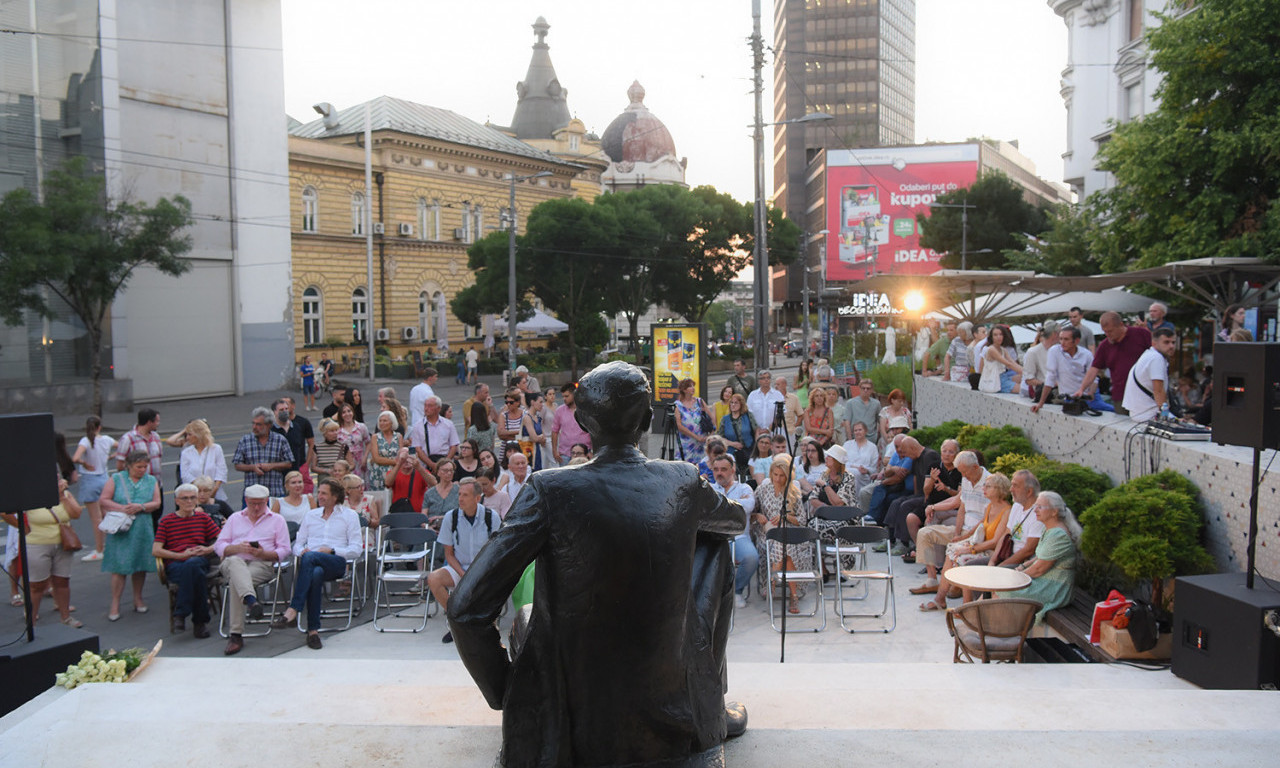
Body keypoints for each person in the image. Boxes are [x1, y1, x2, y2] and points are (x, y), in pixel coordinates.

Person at [447, 362, 748, 763]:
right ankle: (710, 702)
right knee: (716, 544)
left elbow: (466, 608)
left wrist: (509, 694)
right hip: (659, 669)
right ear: (645, 419)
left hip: (577, 677)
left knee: (525, 616)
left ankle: (709, 702)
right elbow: (736, 519)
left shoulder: (549, 488)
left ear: (584, 422)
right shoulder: (683, 479)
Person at [273, 478, 362, 649]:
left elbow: (356, 549)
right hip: (312, 564)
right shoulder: (311, 516)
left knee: (311, 558)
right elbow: (297, 544)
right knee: (315, 573)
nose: (319, 496)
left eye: (323, 493)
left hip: (336, 562)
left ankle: (294, 609)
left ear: (335, 497)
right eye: (319, 492)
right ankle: (313, 631)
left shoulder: (349, 516)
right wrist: (301, 551)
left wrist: (332, 550)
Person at [919, 472, 1012, 612]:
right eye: (984, 485)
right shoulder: (990, 506)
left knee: (962, 559)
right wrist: (962, 539)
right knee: (952, 552)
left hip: (992, 552)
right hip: (981, 546)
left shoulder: (1006, 511)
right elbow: (980, 527)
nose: (984, 489)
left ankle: (966, 607)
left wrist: (970, 549)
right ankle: (940, 599)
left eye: (988, 486)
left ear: (1000, 489)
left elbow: (995, 542)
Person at [215, 484, 292, 655]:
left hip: (261, 563)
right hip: (234, 561)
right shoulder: (235, 518)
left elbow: (285, 549)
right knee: (235, 562)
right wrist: (236, 548)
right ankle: (250, 600)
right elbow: (219, 546)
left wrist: (263, 553)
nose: (256, 508)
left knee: (238, 582)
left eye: (260, 504)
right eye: (252, 504)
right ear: (246, 501)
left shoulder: (277, 520)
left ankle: (236, 634)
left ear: (267, 501)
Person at [1, 478, 83, 627]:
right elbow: (5, 512)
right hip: (37, 543)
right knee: (36, 585)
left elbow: (76, 513)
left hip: (62, 543)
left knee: (62, 581)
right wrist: (23, 528)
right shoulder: (29, 495)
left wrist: (63, 497)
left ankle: (66, 617)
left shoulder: (64, 495)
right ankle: (30, 621)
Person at [431, 477, 501, 642]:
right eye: (459, 494)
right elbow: (449, 554)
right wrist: (463, 573)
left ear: (477, 498)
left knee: (496, 585)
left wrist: (479, 573)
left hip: (484, 569)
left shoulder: (492, 517)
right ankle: (456, 621)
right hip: (459, 568)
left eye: (466, 495)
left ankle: (486, 628)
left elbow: (497, 553)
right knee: (434, 579)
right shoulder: (451, 517)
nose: (460, 499)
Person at [911, 451, 989, 595]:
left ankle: (952, 586)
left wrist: (963, 536)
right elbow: (961, 508)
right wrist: (958, 533)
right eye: (961, 473)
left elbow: (987, 518)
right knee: (924, 533)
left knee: (954, 548)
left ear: (976, 467)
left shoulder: (989, 483)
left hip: (978, 534)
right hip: (964, 529)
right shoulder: (967, 479)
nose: (963, 476)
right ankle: (932, 579)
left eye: (965, 472)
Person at [152, 483, 220, 637]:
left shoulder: (203, 518)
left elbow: (221, 539)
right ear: (176, 501)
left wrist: (207, 549)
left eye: (192, 498)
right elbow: (156, 550)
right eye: (185, 498)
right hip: (176, 563)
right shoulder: (167, 521)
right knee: (195, 573)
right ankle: (200, 623)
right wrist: (180, 556)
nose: (189, 501)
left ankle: (181, 613)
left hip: (198, 559)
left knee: (193, 565)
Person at [100, 450, 160, 621]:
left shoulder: (151, 480)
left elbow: (157, 502)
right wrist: (122, 508)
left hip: (142, 527)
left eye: (144, 466)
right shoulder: (116, 479)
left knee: (140, 564)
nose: (142, 470)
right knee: (119, 566)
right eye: (138, 467)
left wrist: (141, 507)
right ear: (129, 466)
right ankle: (115, 602)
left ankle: (138, 598)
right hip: (121, 528)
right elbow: (104, 499)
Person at [1004, 491, 1081, 623]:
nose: (1035, 510)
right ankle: (985, 626)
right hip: (1044, 581)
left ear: (1054, 512)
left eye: (1040, 507)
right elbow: (1040, 557)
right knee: (1000, 586)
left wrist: (1018, 578)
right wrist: (1022, 567)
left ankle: (997, 631)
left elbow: (1039, 569)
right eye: (1035, 506)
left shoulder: (1059, 535)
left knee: (1002, 590)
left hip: (1054, 587)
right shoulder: (1049, 529)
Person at [753, 454, 810, 613]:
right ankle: (794, 596)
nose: (777, 479)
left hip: (789, 531)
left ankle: (771, 586)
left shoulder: (792, 491)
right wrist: (758, 515)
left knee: (784, 545)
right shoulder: (763, 488)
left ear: (788, 476)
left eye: (782, 476)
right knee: (783, 544)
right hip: (768, 531)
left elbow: (802, 520)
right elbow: (752, 511)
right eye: (775, 475)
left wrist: (786, 516)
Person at [1074, 311, 1152, 411]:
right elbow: (1094, 369)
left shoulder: (1141, 334)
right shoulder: (1105, 346)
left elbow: (1156, 354)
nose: (1107, 334)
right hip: (1121, 396)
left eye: (1110, 331)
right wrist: (1082, 389)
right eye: (1104, 331)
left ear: (1121, 325)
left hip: (1144, 394)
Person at [710, 454, 757, 608]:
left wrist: (720, 504)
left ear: (732, 470)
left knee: (751, 558)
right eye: (716, 469)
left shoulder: (744, 487)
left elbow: (749, 506)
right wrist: (737, 504)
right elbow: (706, 511)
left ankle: (736, 591)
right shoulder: (709, 488)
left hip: (739, 537)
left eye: (723, 469)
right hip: (714, 537)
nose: (719, 473)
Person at [72, 415, 116, 562]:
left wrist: (84, 463)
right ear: (99, 427)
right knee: (107, 514)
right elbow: (124, 446)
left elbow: (75, 458)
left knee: (95, 518)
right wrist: (112, 456)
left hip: (90, 479)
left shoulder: (85, 441)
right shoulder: (107, 439)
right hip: (104, 478)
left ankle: (99, 549)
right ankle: (112, 545)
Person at [232, 407, 294, 501]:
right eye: (253, 423)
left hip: (274, 493)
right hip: (252, 495)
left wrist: (271, 466)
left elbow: (289, 462)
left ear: (269, 425)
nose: (254, 427)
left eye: (259, 424)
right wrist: (253, 467)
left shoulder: (280, 440)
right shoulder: (245, 440)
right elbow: (237, 464)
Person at [1033, 326, 1095, 413]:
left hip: (1087, 396)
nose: (1062, 343)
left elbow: (1093, 377)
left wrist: (1090, 394)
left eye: (1066, 339)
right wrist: (1041, 403)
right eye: (1061, 339)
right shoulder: (1054, 351)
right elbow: (1050, 377)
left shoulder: (1087, 355)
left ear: (1076, 341)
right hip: (1068, 398)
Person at [1123, 327, 1176, 421]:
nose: (1171, 346)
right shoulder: (1156, 358)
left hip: (1139, 413)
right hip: (1148, 415)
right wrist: (1165, 416)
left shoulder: (1149, 355)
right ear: (1154, 343)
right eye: (1166, 342)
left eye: (1173, 342)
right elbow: (1158, 390)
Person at [178, 418, 228, 504]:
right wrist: (201, 491)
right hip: (194, 497)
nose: (187, 438)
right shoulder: (186, 452)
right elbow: (185, 475)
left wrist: (212, 491)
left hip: (216, 495)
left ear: (199, 435)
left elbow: (222, 471)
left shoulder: (216, 449)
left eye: (190, 434)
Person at [409, 396, 460, 472]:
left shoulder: (448, 424)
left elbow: (453, 446)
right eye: (425, 405)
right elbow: (418, 449)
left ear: (438, 408)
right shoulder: (418, 426)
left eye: (430, 406)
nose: (426, 408)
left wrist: (444, 463)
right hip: (426, 466)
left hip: (445, 463)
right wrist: (432, 465)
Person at [673, 377, 713, 465]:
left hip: (702, 442)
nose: (693, 388)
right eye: (690, 386)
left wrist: (710, 436)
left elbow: (712, 418)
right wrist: (695, 437)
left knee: (702, 466)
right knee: (685, 466)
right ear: (684, 390)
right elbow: (679, 425)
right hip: (686, 443)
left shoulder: (699, 401)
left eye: (693, 386)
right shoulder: (678, 405)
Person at [551, 381, 591, 465]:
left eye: (567, 396)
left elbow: (592, 431)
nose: (564, 399)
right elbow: (555, 431)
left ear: (574, 395)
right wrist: (554, 451)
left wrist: (591, 451)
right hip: (565, 454)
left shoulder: (585, 410)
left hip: (583, 453)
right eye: (563, 396)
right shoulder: (560, 411)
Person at [718, 392, 756, 473]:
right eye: (731, 402)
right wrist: (732, 444)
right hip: (731, 453)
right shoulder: (725, 419)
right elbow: (719, 437)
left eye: (736, 403)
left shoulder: (748, 416)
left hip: (748, 452)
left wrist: (756, 449)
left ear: (741, 404)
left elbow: (756, 431)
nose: (733, 405)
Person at [841, 421, 881, 497]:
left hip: (864, 477)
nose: (857, 432)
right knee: (852, 473)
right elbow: (842, 461)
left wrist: (866, 470)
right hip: (847, 475)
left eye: (860, 430)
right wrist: (855, 467)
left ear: (865, 431)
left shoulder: (872, 447)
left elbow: (874, 468)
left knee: (856, 474)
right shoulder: (847, 445)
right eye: (855, 430)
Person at [389, 448, 436, 513]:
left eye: (409, 456)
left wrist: (419, 467)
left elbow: (434, 484)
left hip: (418, 514)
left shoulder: (421, 472)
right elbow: (388, 483)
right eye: (404, 457)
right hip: (399, 513)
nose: (406, 460)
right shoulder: (394, 472)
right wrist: (399, 463)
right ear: (397, 459)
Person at [979, 325, 1023, 394]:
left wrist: (1026, 372)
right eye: (995, 335)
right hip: (995, 380)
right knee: (1023, 389)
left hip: (1004, 377)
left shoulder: (1003, 349)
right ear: (992, 337)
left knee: (1025, 380)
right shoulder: (991, 349)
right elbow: (1008, 364)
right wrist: (1026, 373)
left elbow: (1013, 363)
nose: (998, 337)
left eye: (1001, 334)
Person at [1020, 322, 1058, 400]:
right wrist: (1049, 385)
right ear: (1054, 334)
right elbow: (1029, 379)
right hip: (1046, 395)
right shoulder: (1033, 352)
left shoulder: (1061, 350)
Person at [366, 410, 403, 491]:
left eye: (385, 421)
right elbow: (376, 458)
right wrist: (396, 462)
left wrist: (398, 463)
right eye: (380, 421)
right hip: (378, 474)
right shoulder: (375, 437)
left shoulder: (398, 436)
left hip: (394, 472)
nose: (382, 423)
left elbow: (402, 455)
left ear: (392, 422)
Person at [842, 378, 880, 447]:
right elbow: (847, 422)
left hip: (871, 438)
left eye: (868, 388)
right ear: (859, 389)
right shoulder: (851, 403)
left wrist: (878, 436)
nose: (865, 390)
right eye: (863, 388)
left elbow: (879, 421)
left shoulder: (876, 404)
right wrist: (850, 440)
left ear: (872, 390)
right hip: (855, 438)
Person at [422, 459, 460, 528]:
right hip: (432, 528)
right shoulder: (429, 493)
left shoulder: (459, 491)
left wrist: (440, 517)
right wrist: (428, 528)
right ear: (438, 472)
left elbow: (462, 514)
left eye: (451, 470)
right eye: (445, 470)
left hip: (453, 527)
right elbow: (423, 518)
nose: (449, 473)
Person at [310, 419, 348, 485]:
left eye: (336, 430)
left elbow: (352, 464)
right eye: (332, 431)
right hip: (324, 479)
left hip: (339, 479)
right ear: (325, 433)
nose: (335, 433)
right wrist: (327, 471)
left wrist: (341, 470)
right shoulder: (317, 447)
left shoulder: (343, 446)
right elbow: (313, 467)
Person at [335, 403, 369, 477]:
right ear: (340, 415)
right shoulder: (338, 431)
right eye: (344, 412)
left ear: (353, 412)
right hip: (346, 463)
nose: (347, 414)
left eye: (349, 411)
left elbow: (368, 442)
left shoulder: (361, 427)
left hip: (360, 462)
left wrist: (365, 457)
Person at [519, 392, 549, 472]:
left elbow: (544, 438)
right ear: (532, 402)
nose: (542, 405)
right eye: (540, 402)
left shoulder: (538, 418)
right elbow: (534, 438)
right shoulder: (527, 418)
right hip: (529, 452)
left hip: (538, 452)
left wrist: (540, 438)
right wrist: (540, 438)